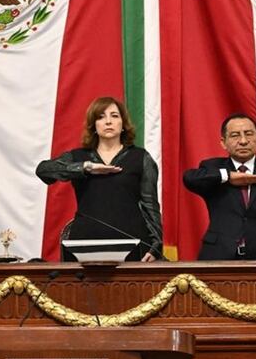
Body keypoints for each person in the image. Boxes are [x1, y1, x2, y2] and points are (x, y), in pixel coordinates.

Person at [36, 97, 162, 262]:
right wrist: (85, 167)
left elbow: (150, 206)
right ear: (93, 126)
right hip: (83, 245)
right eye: (101, 117)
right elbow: (43, 170)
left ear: (123, 124)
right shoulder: (78, 157)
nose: (108, 121)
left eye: (114, 116)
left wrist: (156, 246)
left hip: (133, 245)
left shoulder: (141, 157)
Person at [184, 113, 256, 260]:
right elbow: (189, 178)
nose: (243, 141)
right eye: (235, 135)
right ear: (223, 142)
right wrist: (228, 176)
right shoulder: (212, 168)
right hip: (219, 257)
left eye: (249, 134)